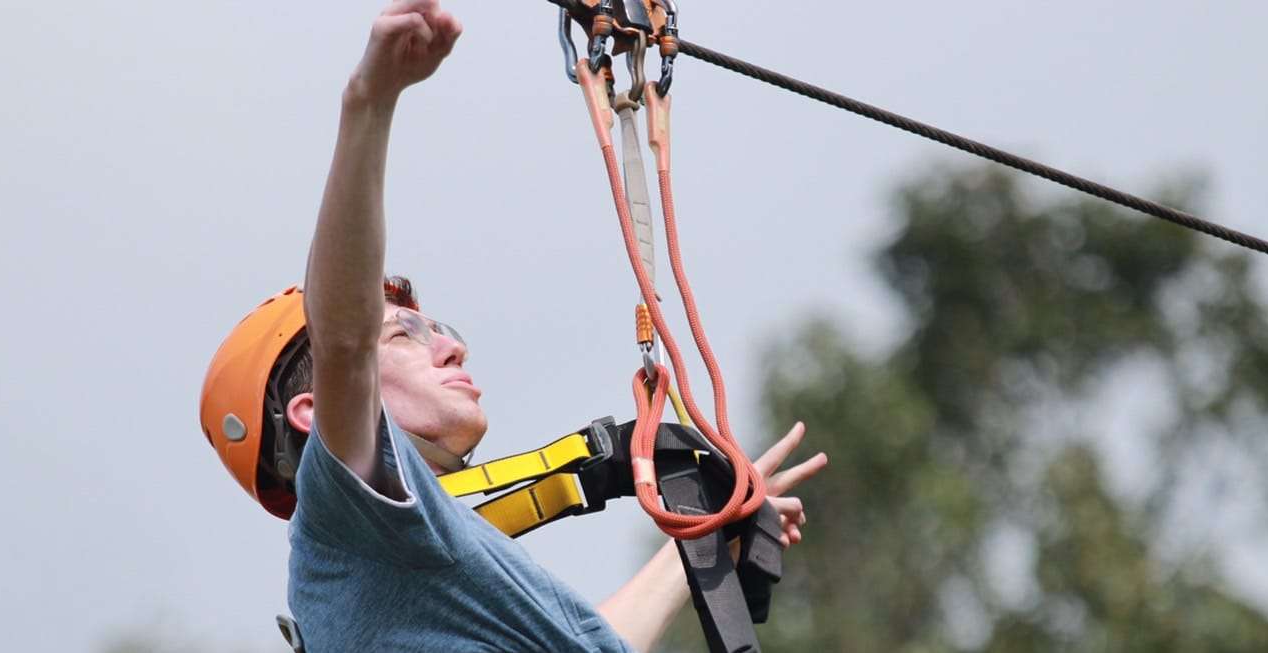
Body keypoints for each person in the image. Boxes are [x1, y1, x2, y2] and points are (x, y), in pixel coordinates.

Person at [197, 1, 828, 650]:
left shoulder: (424, 569)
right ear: (310, 411)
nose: (452, 345)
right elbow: (344, 338)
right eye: (404, 334)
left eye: (437, 327)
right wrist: (370, 101)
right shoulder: (342, 516)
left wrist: (701, 538)